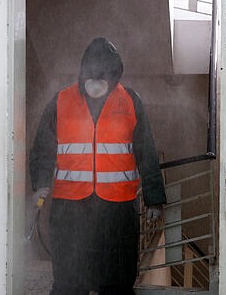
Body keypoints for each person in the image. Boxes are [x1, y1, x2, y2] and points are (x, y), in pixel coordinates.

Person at [29, 37, 167, 295]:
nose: (96, 86)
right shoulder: (60, 101)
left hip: (118, 210)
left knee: (116, 280)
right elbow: (43, 148)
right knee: (70, 281)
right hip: (70, 208)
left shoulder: (130, 102)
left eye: (103, 81)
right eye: (91, 79)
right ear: (82, 75)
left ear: (114, 78)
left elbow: (146, 151)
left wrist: (155, 199)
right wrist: (40, 184)